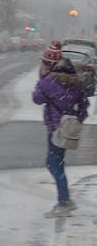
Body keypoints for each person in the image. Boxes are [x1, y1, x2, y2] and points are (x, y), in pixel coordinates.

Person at [33, 43, 89, 218]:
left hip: (56, 128)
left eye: (44, 62)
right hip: (67, 126)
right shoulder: (74, 80)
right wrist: (75, 119)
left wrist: (42, 79)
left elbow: (36, 98)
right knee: (57, 162)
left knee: (54, 164)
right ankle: (65, 200)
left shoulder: (48, 82)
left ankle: (64, 202)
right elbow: (83, 103)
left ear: (49, 63)